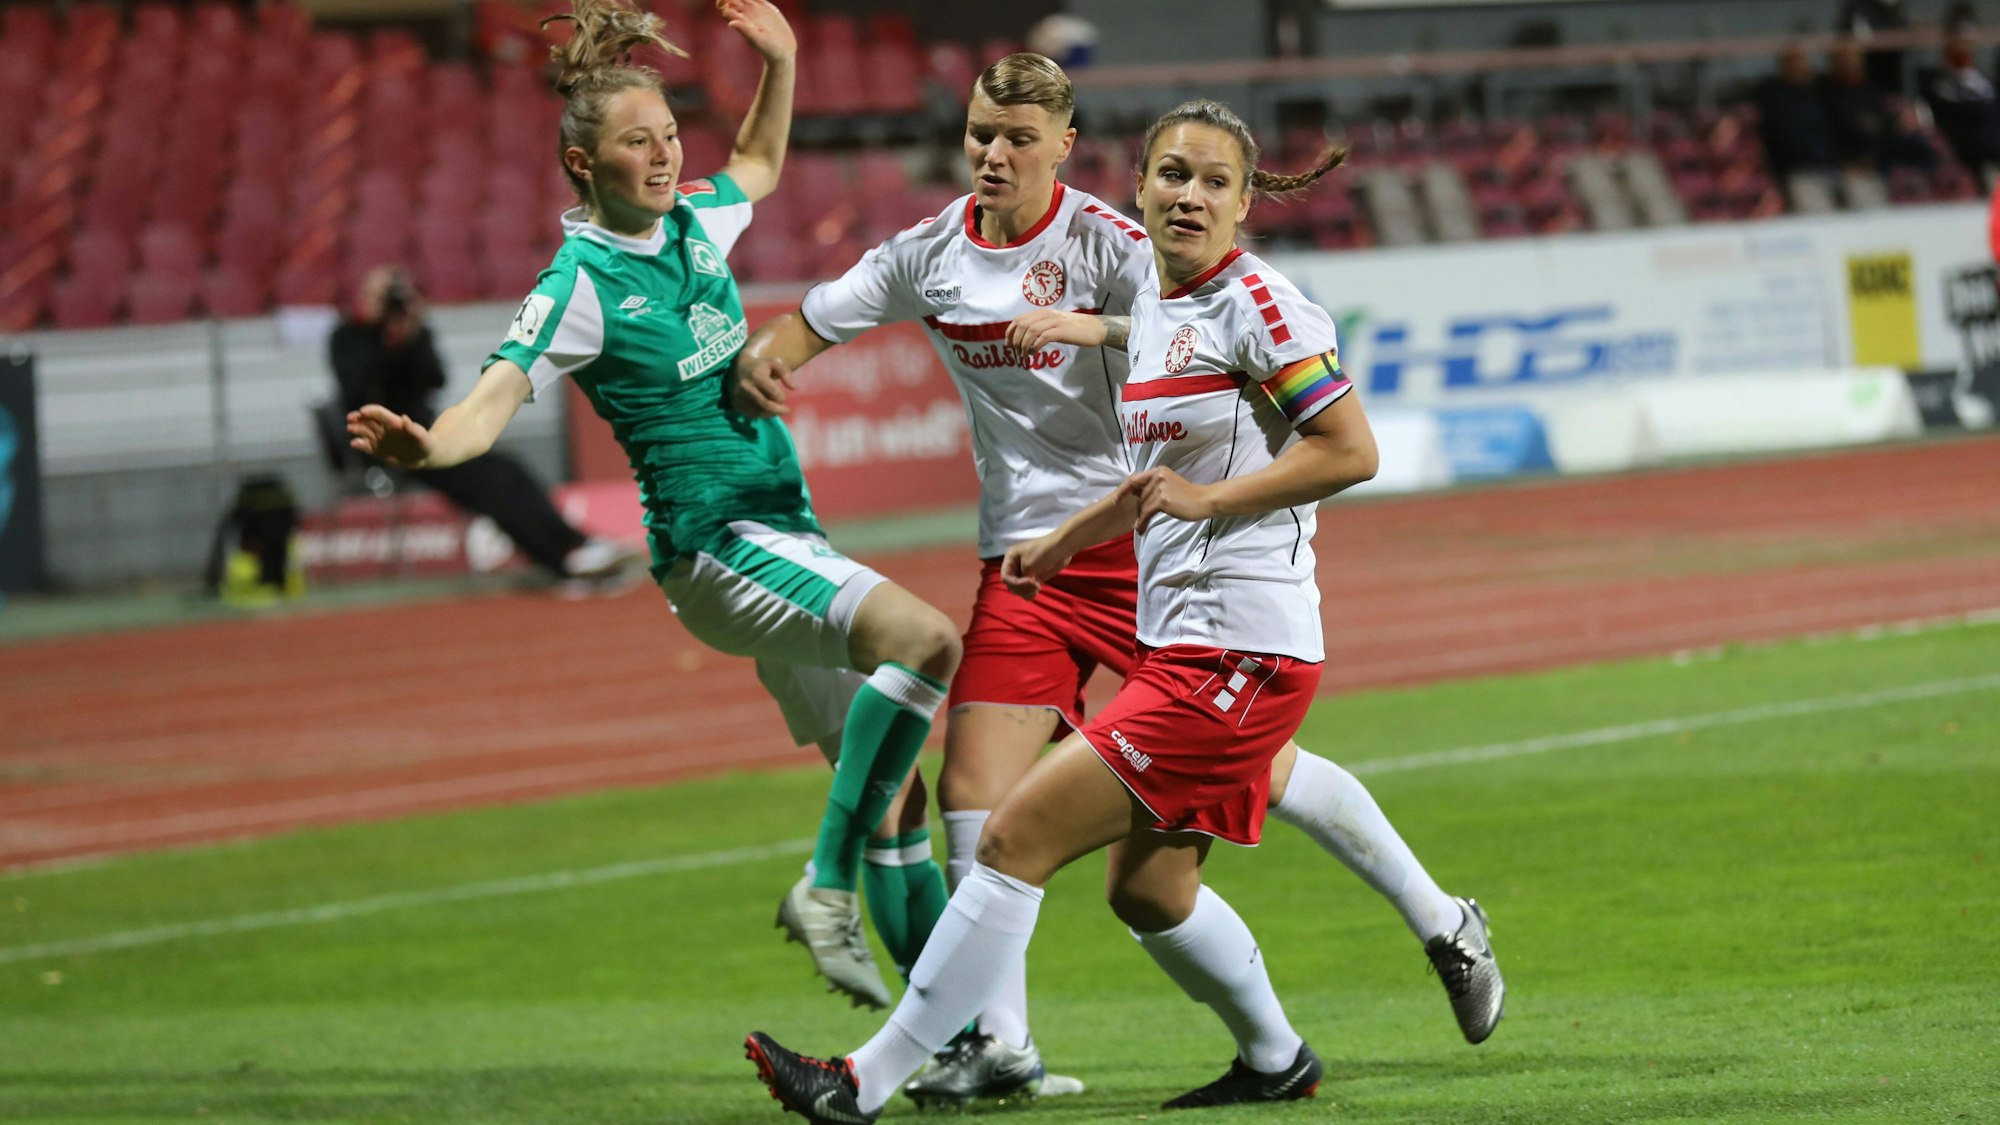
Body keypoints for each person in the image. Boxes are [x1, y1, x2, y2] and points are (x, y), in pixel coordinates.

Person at [733, 54, 1502, 1109]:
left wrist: (1104, 358)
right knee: (1072, 849)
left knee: (1099, 816)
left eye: (1016, 137)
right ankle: (1091, 1050)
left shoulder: (1170, 268)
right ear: (1138, 177)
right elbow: (829, 316)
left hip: (1210, 613)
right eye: (979, 135)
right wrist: (767, 356)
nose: (994, 154)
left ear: (1066, 148)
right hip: (1076, 566)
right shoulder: (984, 264)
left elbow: (1321, 429)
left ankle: (863, 1083)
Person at [346, 0, 956, 1012]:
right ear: (585, 167)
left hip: (779, 536)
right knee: (929, 643)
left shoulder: (694, 218)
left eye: (670, 134)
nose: (666, 155)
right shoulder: (578, 281)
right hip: (716, 546)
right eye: (639, 143)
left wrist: (784, 60)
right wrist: (429, 444)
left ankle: (963, 1045)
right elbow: (493, 396)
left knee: (898, 798)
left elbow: (757, 163)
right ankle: (824, 883)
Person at [331, 264, 637, 593]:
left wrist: (411, 335)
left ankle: (579, 546)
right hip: (383, 448)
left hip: (428, 438)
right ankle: (560, 564)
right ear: (365, 297)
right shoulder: (347, 337)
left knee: (510, 469)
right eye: (383, 294)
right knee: (488, 485)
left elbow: (435, 379)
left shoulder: (411, 331)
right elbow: (356, 388)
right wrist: (383, 340)